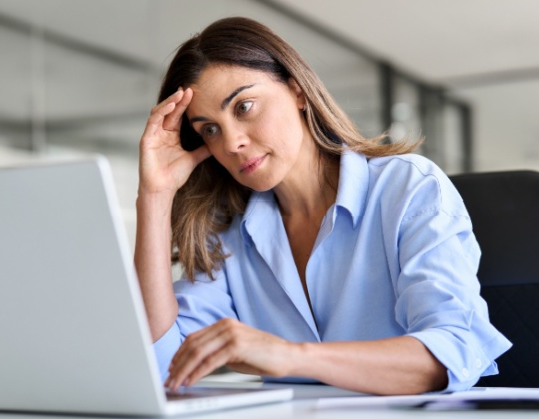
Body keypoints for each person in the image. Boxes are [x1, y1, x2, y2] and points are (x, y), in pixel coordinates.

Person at [134, 16, 511, 395]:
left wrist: (292, 356)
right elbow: (161, 363)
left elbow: (453, 351)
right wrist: (154, 195)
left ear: (298, 90)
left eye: (244, 106)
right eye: (209, 130)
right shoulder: (228, 230)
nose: (231, 143)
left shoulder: (407, 188)